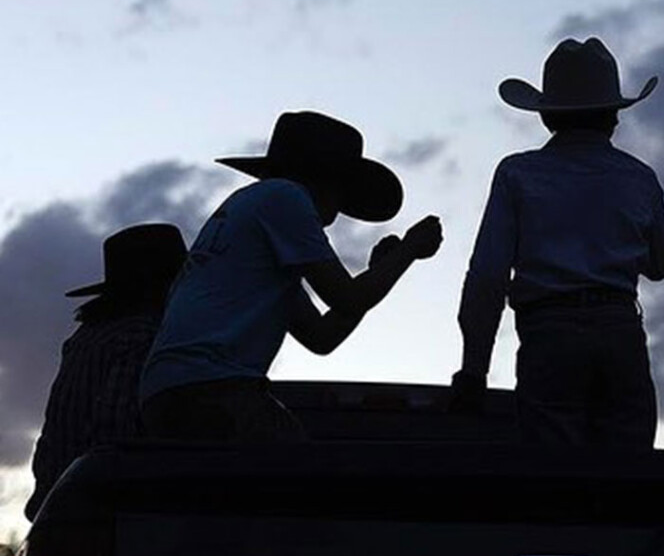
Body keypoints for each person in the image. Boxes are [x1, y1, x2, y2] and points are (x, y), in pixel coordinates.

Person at [139, 111, 442, 441]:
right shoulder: (285, 197)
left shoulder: (260, 224)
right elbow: (348, 298)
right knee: (305, 474)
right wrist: (408, 250)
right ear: (329, 182)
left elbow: (321, 336)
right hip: (212, 388)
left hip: (168, 390)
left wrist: (379, 270)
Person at [451, 37, 664, 447]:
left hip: (549, 335)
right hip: (619, 331)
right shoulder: (638, 177)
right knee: (628, 476)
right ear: (613, 116)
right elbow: (662, 263)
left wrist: (474, 369)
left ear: (546, 117)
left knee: (556, 480)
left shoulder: (518, 174)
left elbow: (487, 276)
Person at [27, 223, 187, 520]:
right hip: (104, 515)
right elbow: (114, 435)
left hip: (63, 506)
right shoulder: (142, 336)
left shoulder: (86, 336)